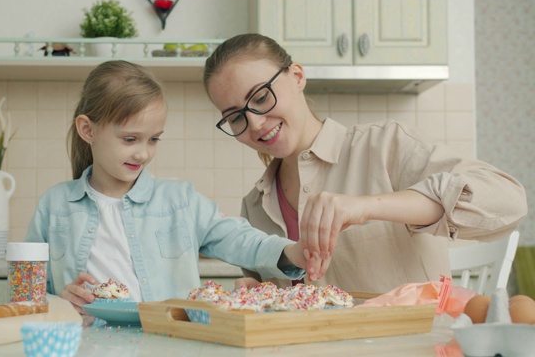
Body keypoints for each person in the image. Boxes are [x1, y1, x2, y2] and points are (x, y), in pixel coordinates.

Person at [202, 33, 528, 293]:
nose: (256, 123)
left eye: (260, 97)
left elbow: (508, 201)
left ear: (297, 76)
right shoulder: (254, 205)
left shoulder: (383, 146)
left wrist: (366, 207)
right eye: (236, 118)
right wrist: (254, 291)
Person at [24, 60, 324, 314]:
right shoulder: (54, 206)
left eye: (153, 139)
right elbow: (27, 298)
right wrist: (60, 303)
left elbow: (242, 240)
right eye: (130, 139)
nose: (143, 153)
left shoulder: (180, 202)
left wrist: (293, 252)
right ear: (87, 130)